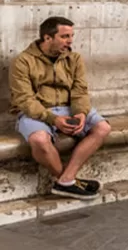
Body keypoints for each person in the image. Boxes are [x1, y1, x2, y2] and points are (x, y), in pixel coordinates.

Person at [8, 16, 112, 200]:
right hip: (37, 111)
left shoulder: (74, 58)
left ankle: (66, 179)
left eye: (71, 35)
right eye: (64, 36)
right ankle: (67, 181)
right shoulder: (23, 61)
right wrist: (53, 119)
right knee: (39, 140)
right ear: (47, 38)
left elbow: (80, 91)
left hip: (68, 108)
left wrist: (80, 113)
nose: (70, 41)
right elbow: (24, 99)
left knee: (103, 128)